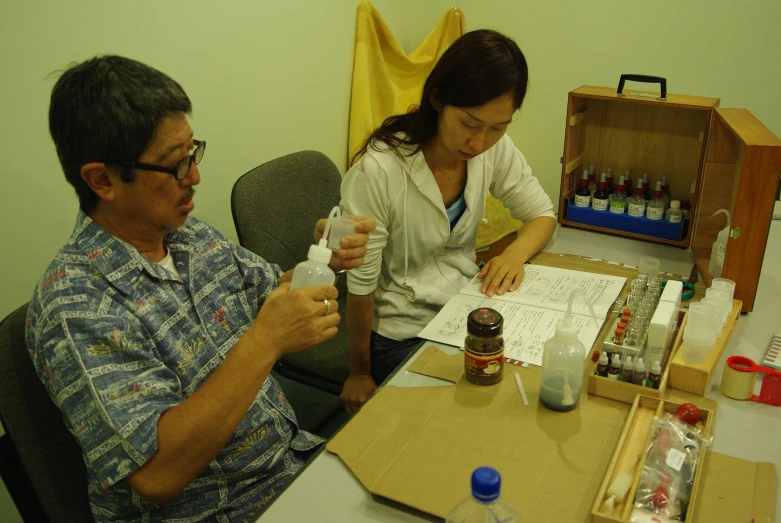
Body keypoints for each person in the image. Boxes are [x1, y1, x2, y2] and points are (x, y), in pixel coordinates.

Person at [26, 55, 375, 522]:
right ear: (102, 179)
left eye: (193, 153)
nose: (194, 177)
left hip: (290, 464)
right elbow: (157, 476)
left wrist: (323, 261)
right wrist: (267, 339)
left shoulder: (187, 235)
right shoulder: (75, 305)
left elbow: (274, 294)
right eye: (175, 165)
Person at [339, 29, 556, 413]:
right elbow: (361, 283)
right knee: (467, 411)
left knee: (528, 389)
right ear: (437, 98)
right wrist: (358, 372)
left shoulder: (493, 148)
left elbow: (542, 215)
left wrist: (514, 255)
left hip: (464, 307)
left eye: (498, 127)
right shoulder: (380, 170)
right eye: (470, 124)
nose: (480, 142)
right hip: (400, 330)